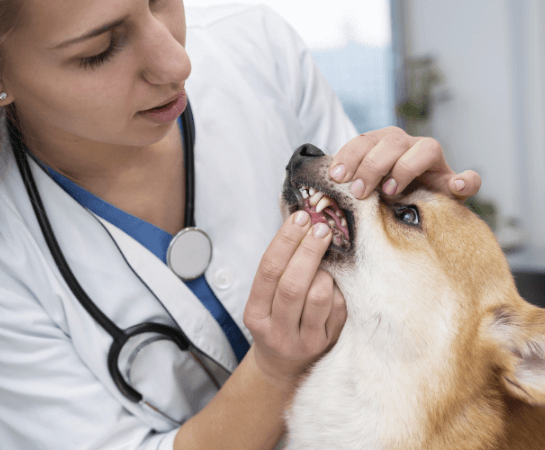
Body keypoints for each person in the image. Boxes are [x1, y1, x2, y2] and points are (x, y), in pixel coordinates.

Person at [0, 0, 481, 449]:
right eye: (100, 50)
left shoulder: (253, 49)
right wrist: (275, 371)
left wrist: (419, 209)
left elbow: (393, 301)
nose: (177, 64)